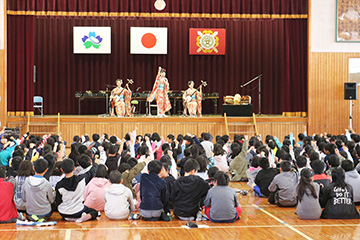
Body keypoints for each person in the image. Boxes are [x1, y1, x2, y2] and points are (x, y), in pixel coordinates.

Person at [55, 158, 99, 222]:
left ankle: (69, 218)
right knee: (94, 212)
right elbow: (92, 172)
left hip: (63, 213)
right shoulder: (81, 179)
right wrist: (96, 164)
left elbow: (58, 201)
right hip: (78, 211)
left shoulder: (59, 185)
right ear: (74, 168)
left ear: (62, 170)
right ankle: (84, 217)